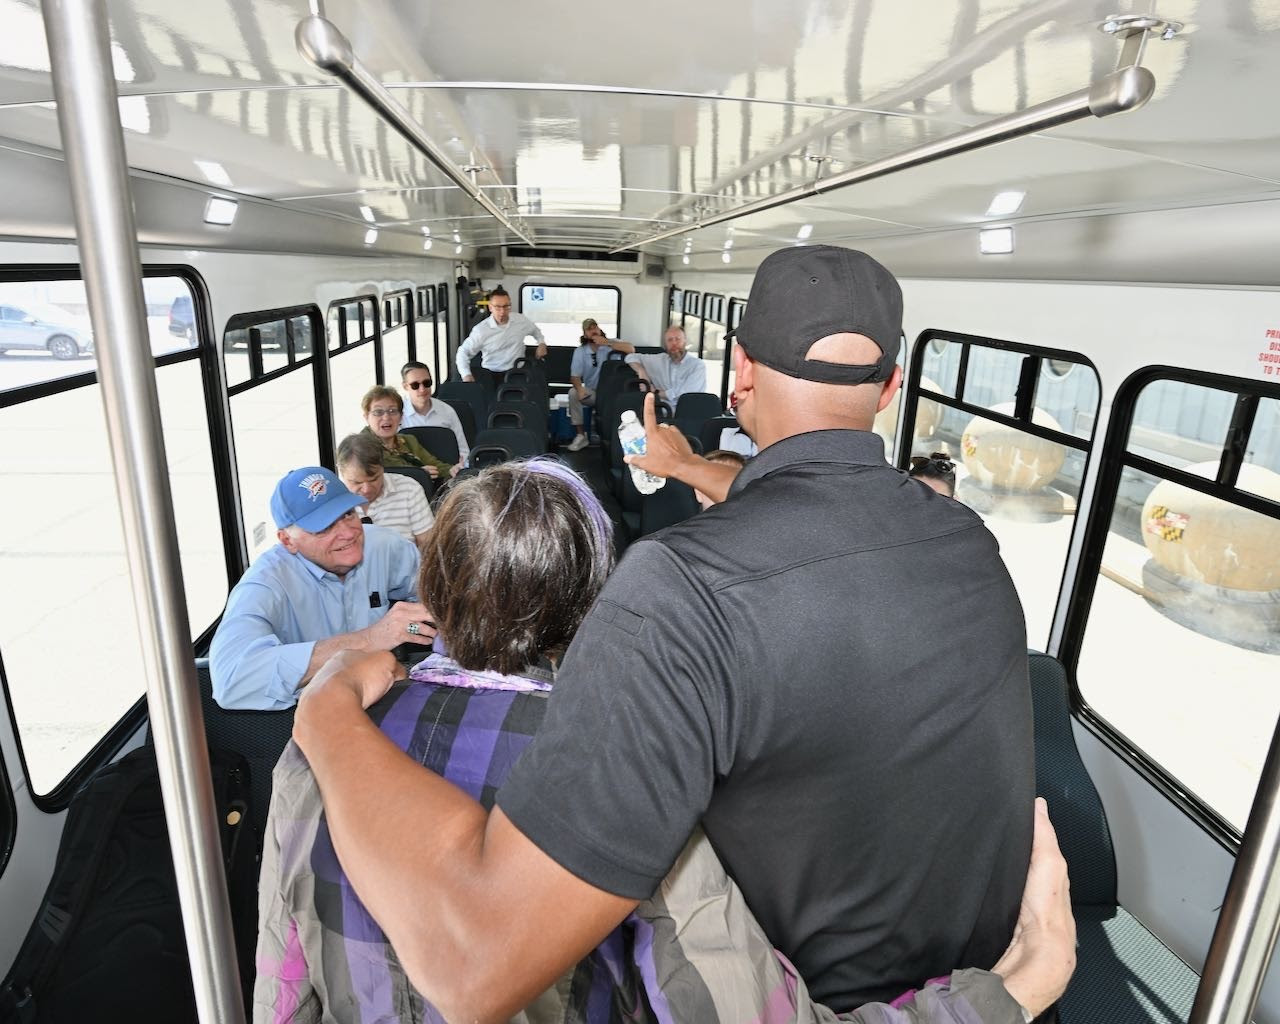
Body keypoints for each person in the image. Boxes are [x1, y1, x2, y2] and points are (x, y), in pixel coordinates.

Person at [291, 246, 1057, 1022]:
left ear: (743, 372)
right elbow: (822, 510)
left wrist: (324, 712)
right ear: (892, 387)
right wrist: (691, 468)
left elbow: (474, 962)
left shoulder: (679, 586)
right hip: (976, 985)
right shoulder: (967, 542)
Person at [259, 461, 1075, 1024]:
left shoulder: (321, 747)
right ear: (596, 602)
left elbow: (285, 979)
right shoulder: (633, 766)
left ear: (432, 589)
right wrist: (1017, 986)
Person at [209, 466, 434, 711]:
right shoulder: (265, 583)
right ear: (287, 540)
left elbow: (436, 598)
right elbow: (230, 679)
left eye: (348, 514)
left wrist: (414, 626)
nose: (348, 533)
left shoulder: (383, 545)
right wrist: (370, 639)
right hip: (309, 716)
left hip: (386, 695)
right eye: (324, 527)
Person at [336, 432, 433, 547]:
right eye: (357, 482)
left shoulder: (410, 490)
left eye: (374, 479)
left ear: (382, 468)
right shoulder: (331, 500)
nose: (366, 489)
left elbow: (428, 547)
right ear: (341, 472)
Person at [456, 285, 547, 387]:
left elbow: (536, 331)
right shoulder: (481, 330)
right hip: (490, 374)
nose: (502, 311)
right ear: (490, 307)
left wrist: (541, 343)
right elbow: (463, 352)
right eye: (498, 307)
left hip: (517, 372)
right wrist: (466, 375)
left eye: (506, 306)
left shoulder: (520, 321)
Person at [360, 385, 459, 478]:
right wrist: (418, 474)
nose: (386, 417)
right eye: (378, 412)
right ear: (366, 417)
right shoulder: (360, 447)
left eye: (392, 411)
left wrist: (452, 470)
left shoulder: (409, 440)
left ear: (401, 417)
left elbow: (434, 465)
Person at [566, 318, 635, 451]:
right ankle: (581, 435)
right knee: (573, 393)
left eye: (595, 328)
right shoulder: (581, 351)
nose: (593, 331)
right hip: (594, 393)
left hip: (614, 394)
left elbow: (631, 349)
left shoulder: (612, 344)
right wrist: (580, 388)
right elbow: (574, 376)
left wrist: (607, 343)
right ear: (585, 334)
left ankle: (618, 439)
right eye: (589, 329)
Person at [399, 360, 469, 463]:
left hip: (450, 471)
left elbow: (463, 450)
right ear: (405, 386)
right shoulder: (397, 415)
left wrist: (459, 469)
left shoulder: (447, 411)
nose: (422, 389)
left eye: (427, 383)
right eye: (415, 385)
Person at [624, 325, 705, 407]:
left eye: (677, 339)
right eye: (670, 340)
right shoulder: (659, 360)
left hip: (688, 411)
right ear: (665, 344)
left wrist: (655, 392)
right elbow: (630, 357)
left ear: (685, 341)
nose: (674, 343)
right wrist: (641, 372)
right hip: (661, 410)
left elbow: (685, 393)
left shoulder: (697, 365)